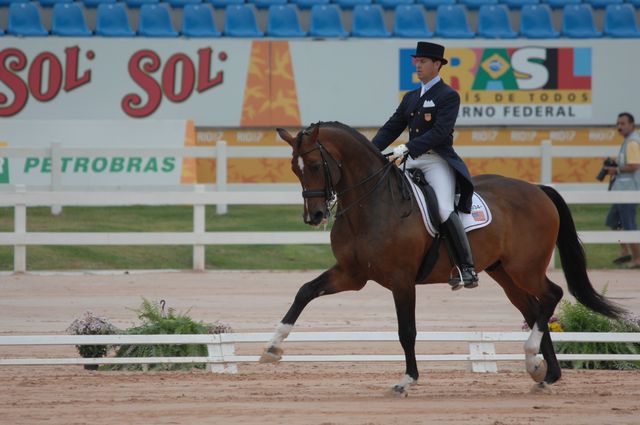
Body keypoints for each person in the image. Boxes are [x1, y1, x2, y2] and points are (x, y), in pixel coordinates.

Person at [371, 41, 477, 289]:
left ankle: (466, 268)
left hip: (436, 160)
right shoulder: (410, 97)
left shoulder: (448, 96)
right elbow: (391, 128)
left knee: (443, 209)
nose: (418, 66)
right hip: (411, 161)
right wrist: (369, 151)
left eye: (423, 62)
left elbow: (441, 132)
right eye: (416, 61)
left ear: (437, 64)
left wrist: (408, 146)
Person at [604, 112, 640, 268]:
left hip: (629, 191)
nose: (619, 126)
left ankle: (638, 258)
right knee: (613, 221)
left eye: (623, 123)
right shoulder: (627, 142)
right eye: (618, 124)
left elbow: (634, 165)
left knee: (629, 225)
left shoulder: (632, 142)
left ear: (632, 125)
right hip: (622, 191)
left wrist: (616, 170)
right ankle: (625, 252)